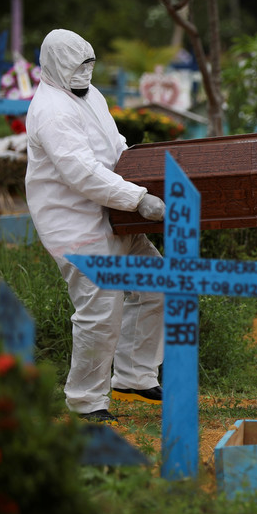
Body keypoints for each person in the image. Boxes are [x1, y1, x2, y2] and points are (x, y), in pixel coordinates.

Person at [25, 29, 167, 425]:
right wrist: (138, 199)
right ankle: (86, 401)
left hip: (114, 215)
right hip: (76, 223)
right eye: (77, 65)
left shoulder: (90, 96)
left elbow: (112, 145)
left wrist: (140, 167)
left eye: (89, 64)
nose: (84, 72)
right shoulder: (52, 110)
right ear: (56, 64)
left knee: (155, 283)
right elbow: (81, 171)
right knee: (100, 309)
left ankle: (134, 377)